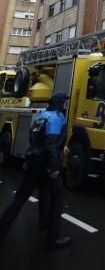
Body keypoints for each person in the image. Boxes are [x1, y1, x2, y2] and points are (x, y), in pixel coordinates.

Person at [0, 92, 72, 250]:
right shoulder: (57, 117)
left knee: (20, 199)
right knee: (57, 197)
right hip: (45, 164)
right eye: (65, 101)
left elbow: (34, 139)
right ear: (60, 103)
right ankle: (53, 238)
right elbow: (50, 144)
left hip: (32, 161)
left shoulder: (41, 116)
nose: (67, 104)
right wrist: (53, 168)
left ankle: (5, 230)